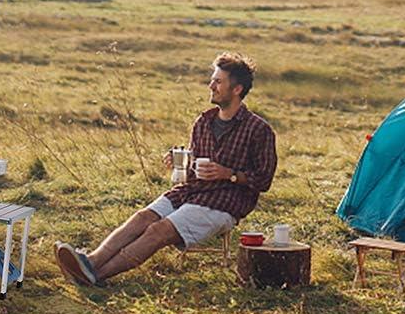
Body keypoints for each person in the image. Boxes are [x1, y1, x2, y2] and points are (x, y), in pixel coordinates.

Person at [55, 51, 277, 286]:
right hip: (190, 191)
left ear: (237, 89)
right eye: (212, 80)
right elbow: (193, 167)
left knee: (158, 231)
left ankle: (95, 277)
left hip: (223, 202)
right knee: (143, 218)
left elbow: (264, 180)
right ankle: (90, 262)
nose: (211, 86)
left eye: (218, 81)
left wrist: (229, 174)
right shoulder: (203, 122)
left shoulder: (258, 130)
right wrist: (180, 161)